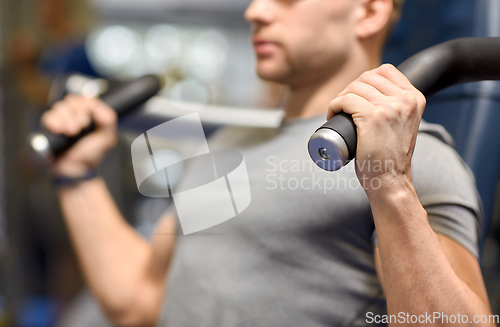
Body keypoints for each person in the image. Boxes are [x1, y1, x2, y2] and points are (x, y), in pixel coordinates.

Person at [41, 0, 494, 326]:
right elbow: (140, 301)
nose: (255, 12)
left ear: (369, 11)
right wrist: (77, 174)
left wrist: (391, 182)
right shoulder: (232, 144)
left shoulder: (411, 157)